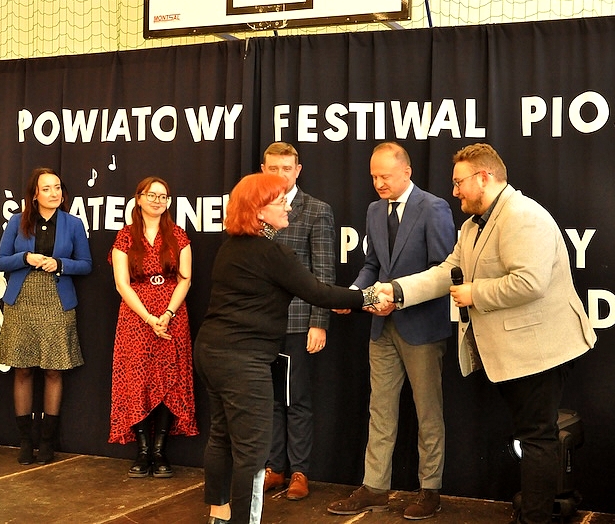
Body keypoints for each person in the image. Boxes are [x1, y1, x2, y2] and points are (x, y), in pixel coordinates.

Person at [380, 143, 596, 524]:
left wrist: (474, 293)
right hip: (516, 353)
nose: (454, 191)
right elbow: (447, 271)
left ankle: (534, 520)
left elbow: (530, 282)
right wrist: (397, 291)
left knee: (537, 439)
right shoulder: (471, 226)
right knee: (532, 437)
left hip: (541, 351)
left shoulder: (523, 216)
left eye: (459, 182)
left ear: (484, 177)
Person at [193, 173, 383, 524]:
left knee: (221, 437)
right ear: (258, 211)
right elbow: (318, 293)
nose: (288, 207)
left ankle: (219, 516)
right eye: (280, 201)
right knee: (252, 452)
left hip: (210, 352)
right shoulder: (271, 253)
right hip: (242, 361)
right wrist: (368, 297)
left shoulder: (231, 247)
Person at [327, 142, 456, 520]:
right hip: (381, 327)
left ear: (406, 172)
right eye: (373, 177)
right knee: (380, 410)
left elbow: (444, 271)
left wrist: (398, 299)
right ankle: (375, 488)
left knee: (428, 412)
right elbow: (373, 265)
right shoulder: (374, 210)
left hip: (422, 327)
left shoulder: (434, 208)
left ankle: (430, 490)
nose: (378, 183)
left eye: (385, 176)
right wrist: (355, 295)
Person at [0, 167, 92, 465]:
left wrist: (60, 264)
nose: (54, 193)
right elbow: (0, 261)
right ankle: (26, 441)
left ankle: (47, 442)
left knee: (53, 370)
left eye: (57, 187)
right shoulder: (17, 221)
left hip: (57, 300)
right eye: (47, 188)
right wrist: (25, 258)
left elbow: (86, 264)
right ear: (34, 194)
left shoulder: (73, 224)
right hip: (22, 300)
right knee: (22, 370)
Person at [260, 142, 336, 501]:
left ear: (298, 170)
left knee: (297, 400)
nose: (280, 175)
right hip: (261, 325)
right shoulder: (254, 208)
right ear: (263, 170)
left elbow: (323, 272)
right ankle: (274, 467)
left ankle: (300, 472)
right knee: (269, 400)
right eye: (273, 168)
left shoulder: (316, 210)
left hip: (297, 323)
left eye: (286, 168)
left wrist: (318, 322)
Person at [109, 176, 198, 479]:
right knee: (137, 380)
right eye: (152, 195)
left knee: (168, 380)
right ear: (139, 198)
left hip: (172, 316)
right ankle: (143, 450)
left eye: (163, 196)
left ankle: (159, 451)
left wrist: (168, 313)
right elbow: (122, 284)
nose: (158, 201)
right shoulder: (125, 236)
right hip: (136, 318)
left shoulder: (178, 235)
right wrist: (149, 318)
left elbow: (185, 278)